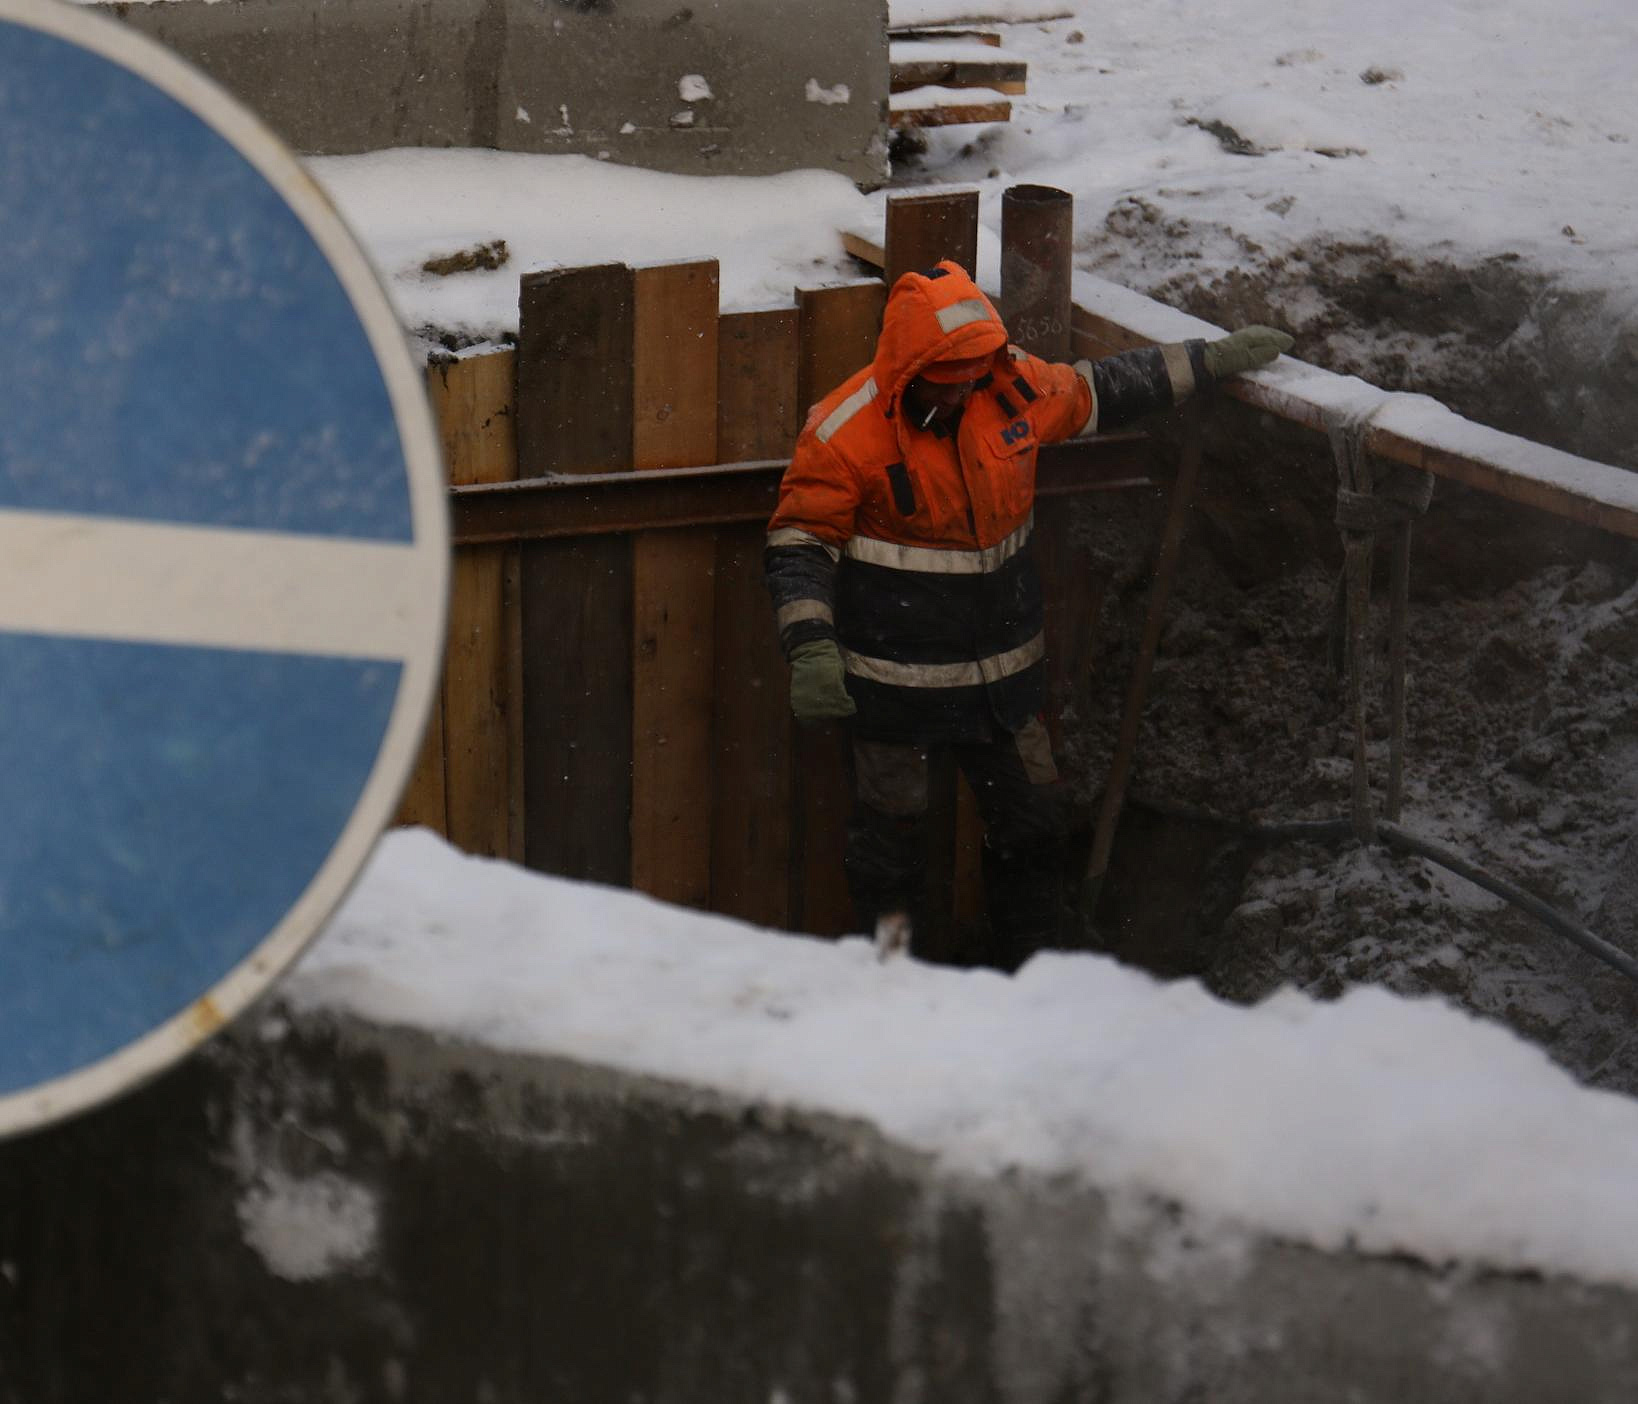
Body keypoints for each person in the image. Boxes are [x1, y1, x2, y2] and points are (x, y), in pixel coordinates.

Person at [764, 259, 1290, 968]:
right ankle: (893, 992)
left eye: (970, 382)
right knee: (890, 856)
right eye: (946, 387)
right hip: (892, 696)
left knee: (1037, 828)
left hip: (1003, 692)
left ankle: (1030, 980)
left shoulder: (1004, 389)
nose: (960, 399)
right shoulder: (844, 434)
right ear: (909, 369)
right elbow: (801, 541)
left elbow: (1098, 390)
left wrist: (1206, 361)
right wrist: (810, 645)